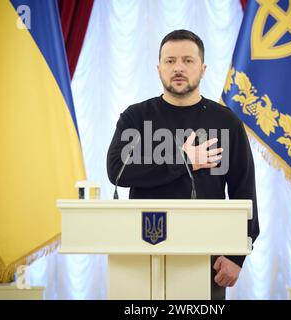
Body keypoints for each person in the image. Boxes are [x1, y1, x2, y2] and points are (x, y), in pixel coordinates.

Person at [107, 29, 259, 300]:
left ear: (202, 68)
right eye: (170, 61)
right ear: (158, 69)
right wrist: (184, 160)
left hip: (206, 255)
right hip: (142, 250)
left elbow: (244, 191)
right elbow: (117, 170)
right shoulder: (136, 118)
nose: (178, 67)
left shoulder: (226, 122)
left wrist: (238, 255)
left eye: (188, 61)